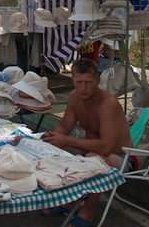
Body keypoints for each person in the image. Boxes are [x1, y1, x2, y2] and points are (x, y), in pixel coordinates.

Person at [41, 58, 133, 226]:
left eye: (88, 82)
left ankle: (88, 211)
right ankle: (68, 202)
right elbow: (64, 125)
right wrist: (52, 138)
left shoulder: (107, 104)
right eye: (79, 82)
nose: (83, 88)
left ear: (97, 81)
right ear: (73, 80)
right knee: (55, 146)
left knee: (93, 158)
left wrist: (66, 139)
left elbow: (106, 147)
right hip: (93, 150)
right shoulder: (74, 97)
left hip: (120, 156)